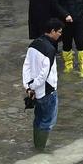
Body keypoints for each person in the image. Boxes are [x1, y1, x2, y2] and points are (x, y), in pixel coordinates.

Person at [22, 20, 63, 151]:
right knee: (47, 122)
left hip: (34, 92)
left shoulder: (33, 44)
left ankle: (37, 146)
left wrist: (28, 86)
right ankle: (40, 149)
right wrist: (33, 86)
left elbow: (26, 67)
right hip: (47, 92)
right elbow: (44, 75)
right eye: (59, 32)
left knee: (38, 120)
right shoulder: (50, 50)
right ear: (52, 31)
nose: (60, 35)